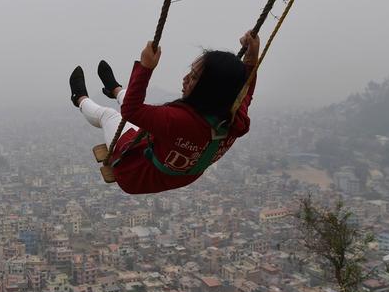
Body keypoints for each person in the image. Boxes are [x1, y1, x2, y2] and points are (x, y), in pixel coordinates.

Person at [69, 31, 259, 194]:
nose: (184, 79)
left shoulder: (178, 121)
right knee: (138, 111)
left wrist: (145, 67)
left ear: (209, 90)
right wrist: (252, 57)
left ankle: (79, 98)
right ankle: (115, 89)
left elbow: (131, 110)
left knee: (110, 116)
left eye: (193, 78)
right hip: (180, 173)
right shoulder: (234, 114)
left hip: (136, 173)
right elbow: (246, 90)